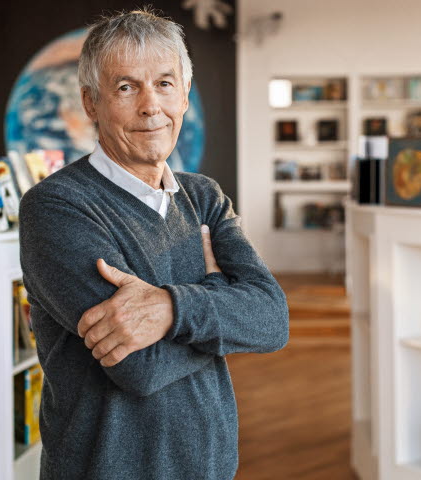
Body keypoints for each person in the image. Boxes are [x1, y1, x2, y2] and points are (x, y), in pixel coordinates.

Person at [19, 8, 289, 480]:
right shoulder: (55, 207)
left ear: (184, 95)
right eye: (126, 87)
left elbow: (271, 319)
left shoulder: (202, 195)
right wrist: (220, 296)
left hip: (209, 465)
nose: (151, 106)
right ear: (90, 102)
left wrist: (170, 308)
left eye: (165, 84)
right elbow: (140, 367)